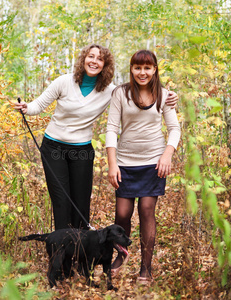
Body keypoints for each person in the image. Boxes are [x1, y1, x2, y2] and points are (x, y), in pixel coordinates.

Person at [14, 44, 179, 231]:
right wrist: (27, 108)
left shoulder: (111, 91)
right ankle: (61, 254)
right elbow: (39, 104)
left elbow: (140, 94)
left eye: (100, 59)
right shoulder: (64, 82)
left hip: (82, 150)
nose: (94, 61)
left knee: (81, 203)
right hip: (54, 148)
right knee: (61, 201)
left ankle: (81, 254)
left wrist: (170, 96)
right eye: (91, 56)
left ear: (105, 65)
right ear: (83, 59)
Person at [106, 50, 181, 285]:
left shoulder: (165, 95)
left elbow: (175, 129)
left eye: (147, 68)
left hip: (153, 163)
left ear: (155, 70)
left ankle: (146, 268)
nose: (142, 72)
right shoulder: (121, 93)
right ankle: (122, 254)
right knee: (123, 214)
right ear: (131, 69)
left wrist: (167, 155)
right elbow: (111, 129)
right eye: (137, 67)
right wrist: (112, 164)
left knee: (147, 210)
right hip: (126, 163)